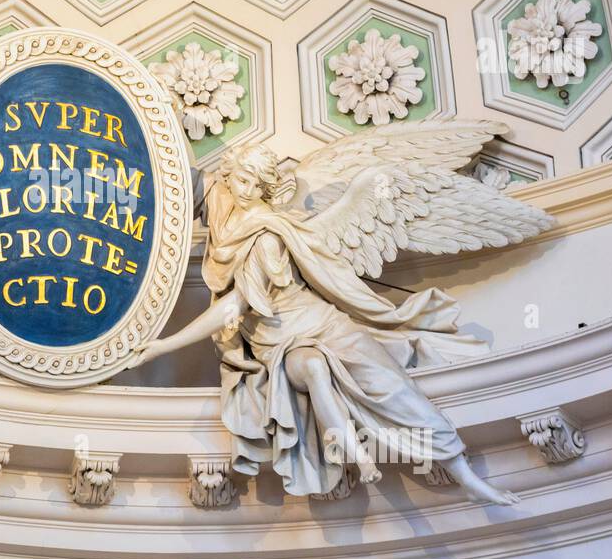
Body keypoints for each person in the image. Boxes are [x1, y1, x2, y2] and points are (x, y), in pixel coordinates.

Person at [132, 143, 519, 506]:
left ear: (267, 188)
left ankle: (463, 472)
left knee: (392, 386)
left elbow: (235, 306)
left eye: (255, 183)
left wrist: (165, 345)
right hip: (277, 343)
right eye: (240, 179)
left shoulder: (268, 233)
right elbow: (172, 171)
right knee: (313, 368)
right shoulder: (221, 206)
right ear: (229, 176)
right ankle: (349, 450)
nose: (245, 189)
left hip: (322, 324)